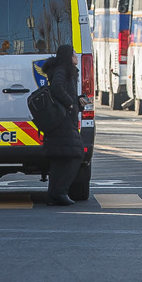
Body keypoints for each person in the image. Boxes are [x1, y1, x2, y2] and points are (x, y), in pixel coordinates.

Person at [41, 42, 86, 206]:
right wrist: (70, 104)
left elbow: (66, 91)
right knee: (76, 154)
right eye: (74, 54)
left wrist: (77, 101)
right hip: (63, 120)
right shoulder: (62, 70)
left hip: (63, 119)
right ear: (68, 57)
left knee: (59, 159)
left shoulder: (67, 71)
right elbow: (57, 88)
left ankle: (53, 195)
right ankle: (61, 191)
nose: (76, 57)